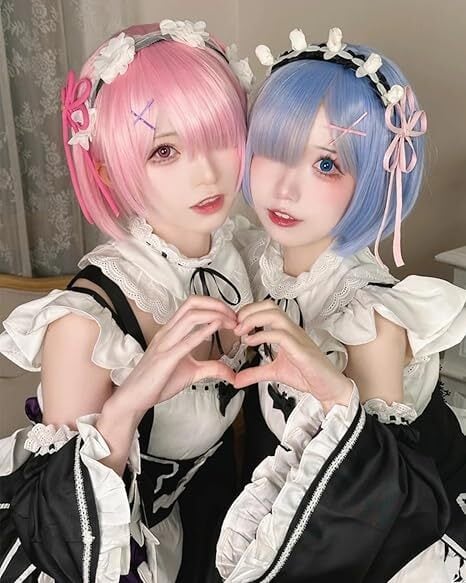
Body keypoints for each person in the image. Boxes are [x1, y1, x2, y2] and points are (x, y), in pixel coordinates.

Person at [0, 20, 254, 582]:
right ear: (109, 169)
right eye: (164, 150)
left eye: (219, 135)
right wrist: (127, 404)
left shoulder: (241, 256)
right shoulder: (86, 324)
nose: (207, 172)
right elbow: (61, 530)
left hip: (202, 532)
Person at [216, 27, 466, 581]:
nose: (286, 188)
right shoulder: (254, 258)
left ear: (373, 179)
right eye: (273, 151)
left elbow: (378, 498)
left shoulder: (370, 316)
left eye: (327, 165)